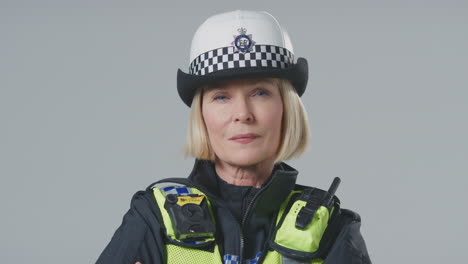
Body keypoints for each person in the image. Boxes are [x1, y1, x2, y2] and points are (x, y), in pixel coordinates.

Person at [96, 10, 371, 264]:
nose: (242, 113)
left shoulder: (331, 229)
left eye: (260, 93)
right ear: (201, 115)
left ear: (287, 109)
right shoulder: (153, 216)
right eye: (221, 97)